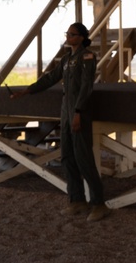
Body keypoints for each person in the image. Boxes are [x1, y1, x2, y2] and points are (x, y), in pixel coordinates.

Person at [11, 22, 109, 222]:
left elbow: (86, 87)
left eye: (72, 34)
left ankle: (99, 203)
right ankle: (77, 200)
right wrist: (27, 91)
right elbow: (50, 79)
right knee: (67, 158)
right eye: (67, 34)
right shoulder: (66, 59)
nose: (68, 37)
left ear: (81, 37)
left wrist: (78, 112)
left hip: (79, 111)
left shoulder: (87, 57)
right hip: (65, 112)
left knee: (84, 159)